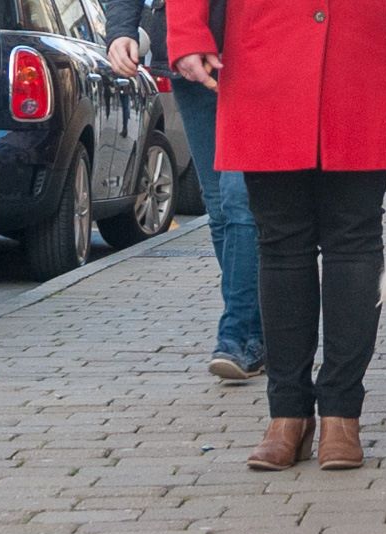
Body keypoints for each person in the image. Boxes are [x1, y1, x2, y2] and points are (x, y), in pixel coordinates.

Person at [168, 0, 386, 471]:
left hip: (363, 55)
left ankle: (341, 413)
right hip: (266, 53)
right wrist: (188, 32)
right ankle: (287, 414)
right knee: (279, 243)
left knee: (353, 239)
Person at [106, 0, 264, 381]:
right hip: (187, 51)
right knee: (220, 207)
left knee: (239, 198)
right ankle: (259, 330)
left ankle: (239, 336)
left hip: (257, 50)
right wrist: (121, 32)